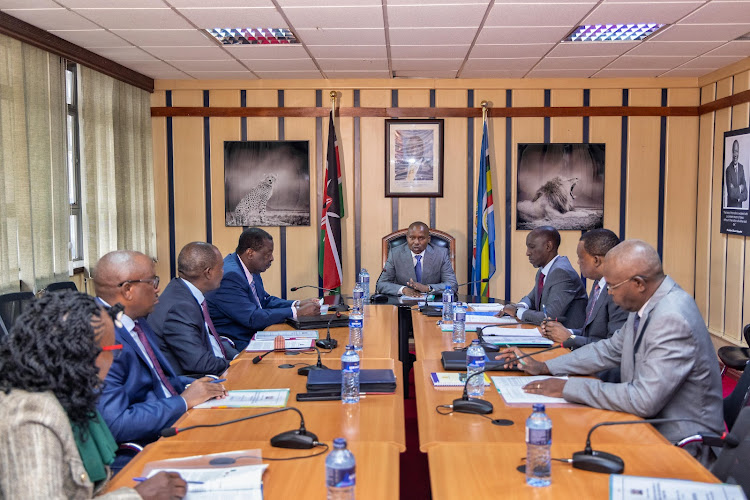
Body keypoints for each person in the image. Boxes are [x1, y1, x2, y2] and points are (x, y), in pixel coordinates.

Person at [496, 240, 724, 461]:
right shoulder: (647, 302)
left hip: (679, 444)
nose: (609, 293)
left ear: (638, 283)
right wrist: (546, 367)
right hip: (646, 424)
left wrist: (568, 387)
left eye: (613, 286)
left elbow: (644, 399)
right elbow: (609, 349)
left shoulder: (672, 318)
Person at [0, 290, 187, 499]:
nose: (113, 359)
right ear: (79, 353)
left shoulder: (67, 394)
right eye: (113, 349)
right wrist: (137, 496)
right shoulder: (33, 415)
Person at [94, 250, 226, 470]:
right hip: (143, 449)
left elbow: (158, 381)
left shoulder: (136, 320)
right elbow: (116, 424)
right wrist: (184, 401)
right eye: (152, 281)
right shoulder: (102, 339)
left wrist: (200, 386)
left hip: (172, 421)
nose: (157, 288)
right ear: (128, 290)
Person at [207, 228, 320, 350]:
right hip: (238, 343)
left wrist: (297, 304)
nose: (272, 258)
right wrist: (297, 312)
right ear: (250, 253)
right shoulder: (231, 276)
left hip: (256, 333)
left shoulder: (249, 268)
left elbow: (264, 301)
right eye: (267, 254)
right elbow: (252, 318)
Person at [149, 242, 239, 377]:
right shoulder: (180, 307)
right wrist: (237, 365)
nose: (223, 272)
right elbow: (200, 364)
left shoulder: (183, 292)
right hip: (198, 382)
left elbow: (208, 340)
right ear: (208, 273)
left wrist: (238, 357)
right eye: (220, 268)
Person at [540, 228, 628, 350]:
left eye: (581, 258)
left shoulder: (620, 292)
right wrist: (562, 331)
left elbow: (614, 348)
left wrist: (570, 338)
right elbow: (590, 334)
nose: (578, 262)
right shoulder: (598, 284)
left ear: (596, 260)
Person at [501, 226, 587, 328]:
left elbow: (549, 316)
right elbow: (531, 299)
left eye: (532, 247)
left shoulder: (562, 273)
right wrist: (518, 306)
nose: (527, 253)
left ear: (548, 246)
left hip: (568, 338)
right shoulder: (544, 269)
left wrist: (517, 311)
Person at [375, 221, 458, 297]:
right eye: (412, 238)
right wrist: (404, 290)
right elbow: (381, 284)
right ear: (407, 238)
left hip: (432, 305)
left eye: (421, 238)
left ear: (428, 239)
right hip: (403, 306)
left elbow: (452, 284)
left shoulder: (441, 254)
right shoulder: (395, 254)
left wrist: (427, 288)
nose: (416, 242)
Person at [725, 139, 747, 208]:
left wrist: (738, 197)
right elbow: (731, 194)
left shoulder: (741, 168)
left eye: (736, 151)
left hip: (740, 211)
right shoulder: (728, 170)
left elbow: (746, 194)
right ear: (732, 152)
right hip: (731, 210)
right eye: (733, 152)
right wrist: (740, 188)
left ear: (739, 152)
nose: (735, 155)